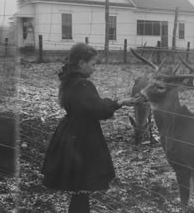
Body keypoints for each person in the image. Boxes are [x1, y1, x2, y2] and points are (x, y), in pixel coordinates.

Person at [41, 43, 143, 213]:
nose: (95, 69)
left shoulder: (69, 82)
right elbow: (98, 109)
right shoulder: (83, 84)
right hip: (83, 137)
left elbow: (88, 106)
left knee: (79, 189)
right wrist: (120, 102)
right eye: (93, 64)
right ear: (82, 63)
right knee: (82, 186)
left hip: (70, 132)